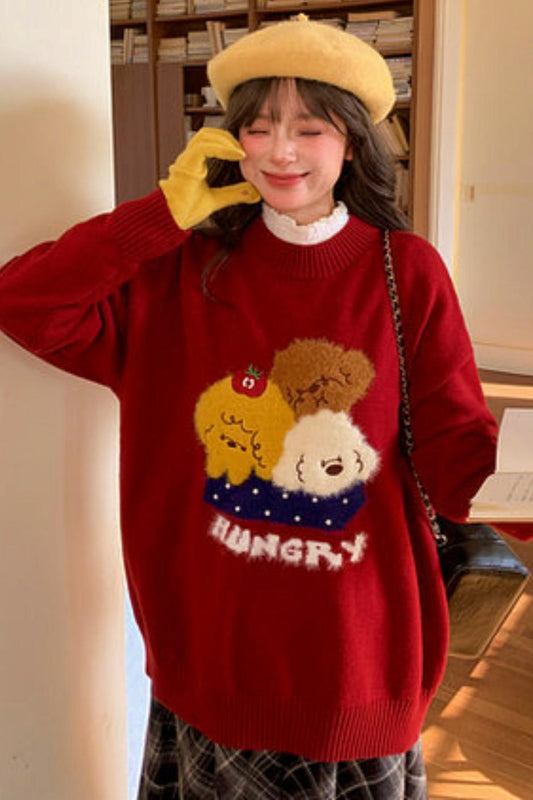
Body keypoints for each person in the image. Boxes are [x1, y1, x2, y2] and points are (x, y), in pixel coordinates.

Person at [0, 15, 528, 800]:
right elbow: (26, 303)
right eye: (258, 126)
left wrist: (516, 484)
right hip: (209, 652)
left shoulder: (404, 270)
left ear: (352, 143)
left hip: (352, 660)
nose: (280, 150)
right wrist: (160, 215)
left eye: (309, 128)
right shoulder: (181, 268)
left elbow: (454, 451)